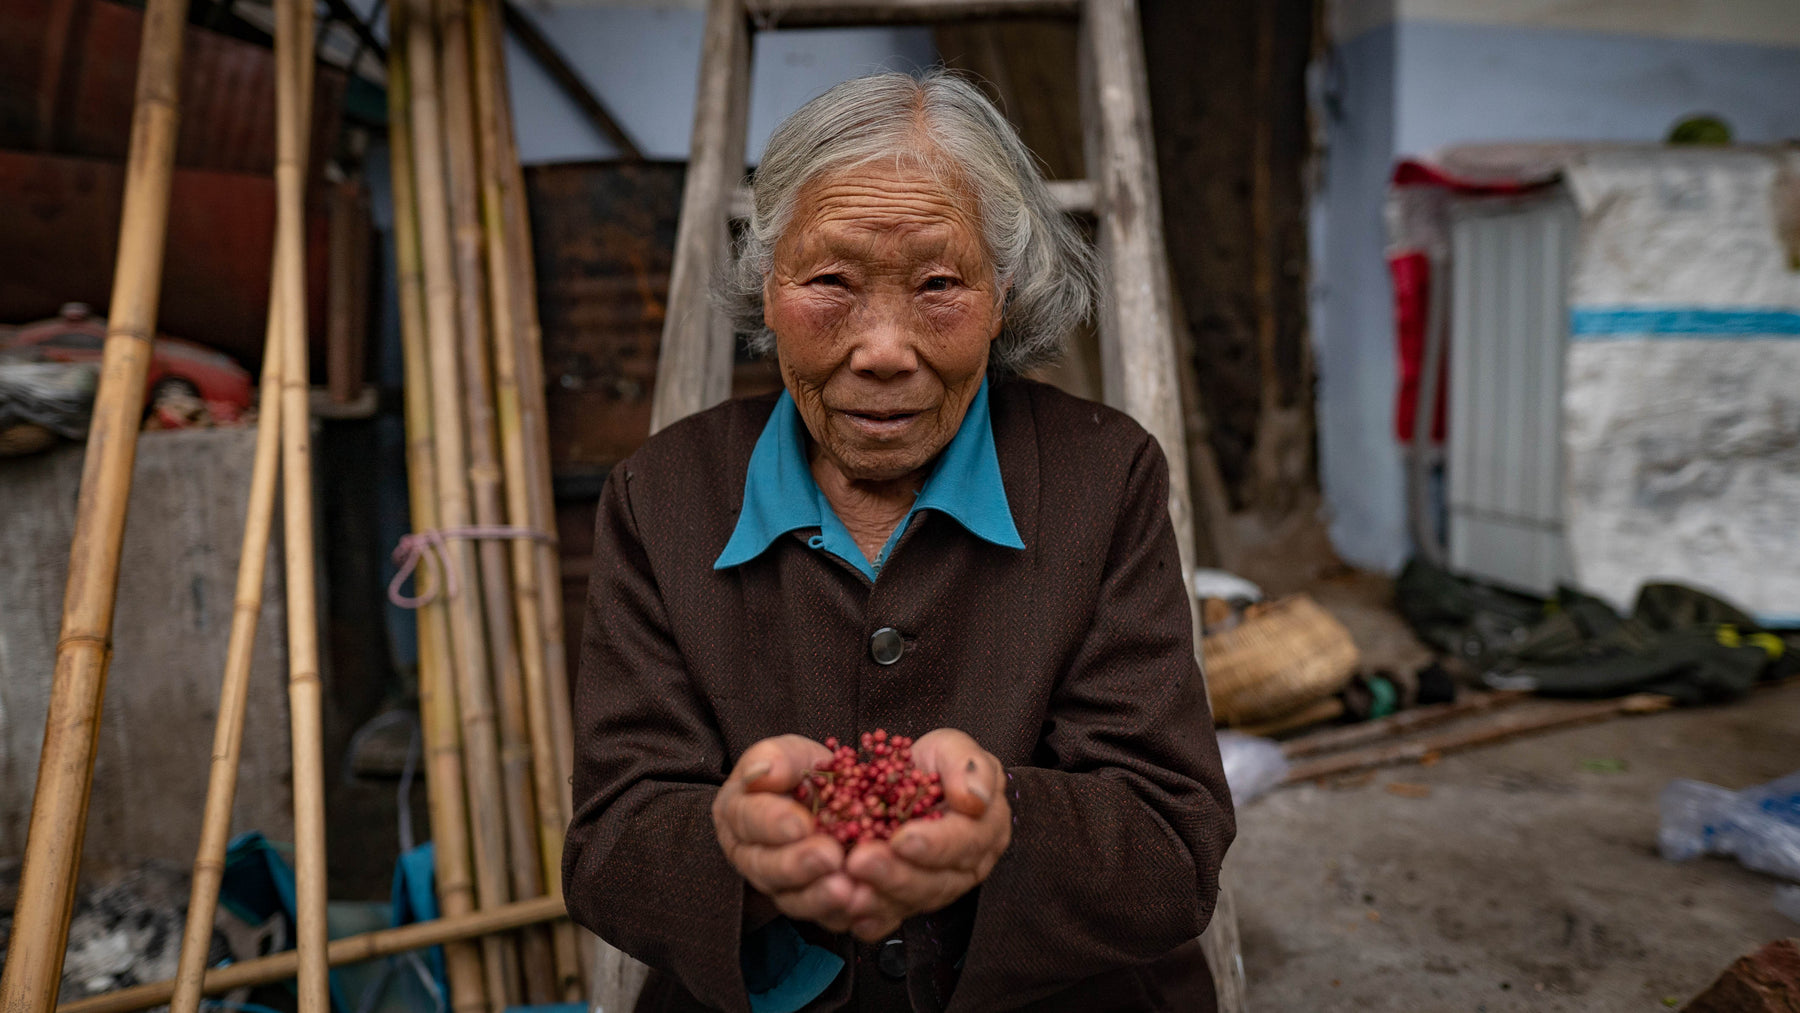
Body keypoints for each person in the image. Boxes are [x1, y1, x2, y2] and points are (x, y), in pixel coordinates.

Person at [563, 69, 1235, 1013]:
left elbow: (1172, 844)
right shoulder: (662, 494)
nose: (882, 348)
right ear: (769, 285)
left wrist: (1004, 824)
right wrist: (738, 845)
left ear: (1004, 294)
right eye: (831, 281)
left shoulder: (1104, 476)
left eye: (938, 284)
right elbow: (609, 847)